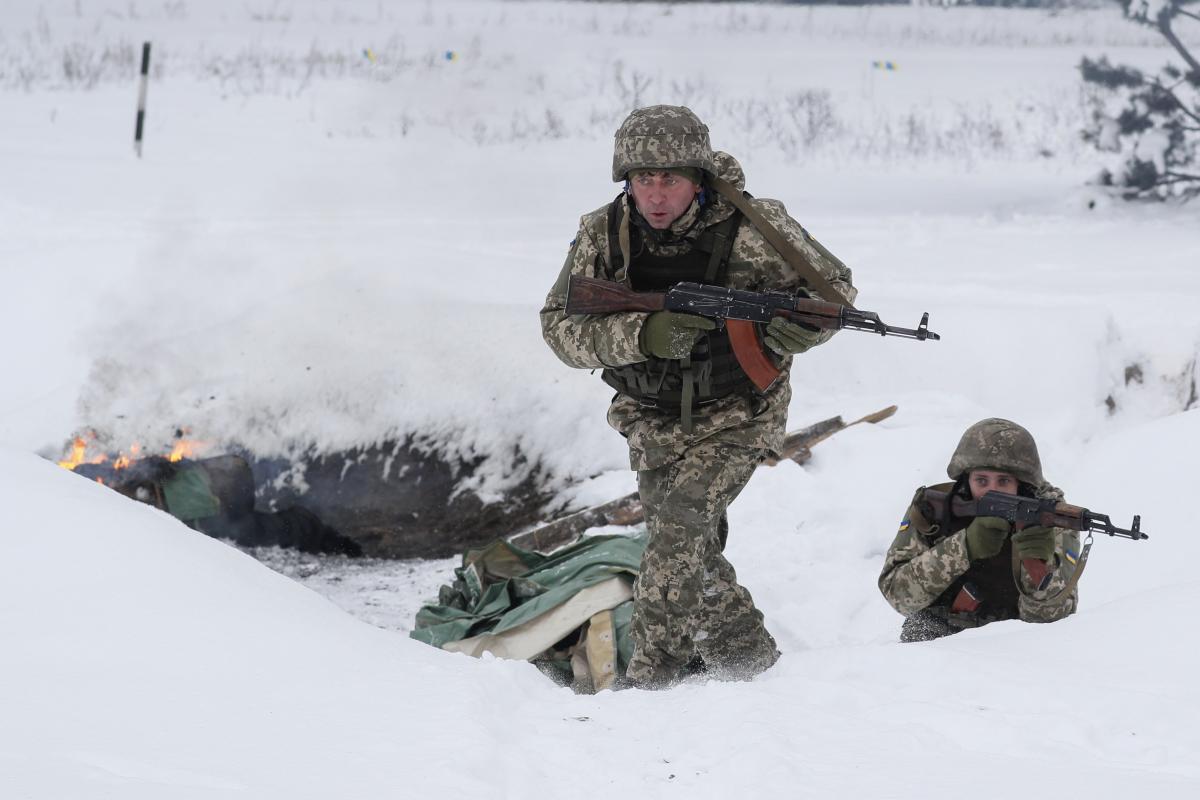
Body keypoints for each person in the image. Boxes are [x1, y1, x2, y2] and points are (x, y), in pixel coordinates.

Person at [539, 105, 856, 688]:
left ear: (699, 179)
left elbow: (834, 296)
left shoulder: (757, 227)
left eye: (672, 180)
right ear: (626, 181)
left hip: (738, 411)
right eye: (643, 181)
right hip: (651, 416)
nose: (656, 196)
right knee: (688, 550)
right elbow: (560, 330)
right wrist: (641, 334)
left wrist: (801, 330)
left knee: (679, 530)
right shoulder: (602, 235)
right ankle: (750, 661)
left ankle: (649, 680)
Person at [878, 418, 1082, 642]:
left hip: (1015, 639)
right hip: (938, 637)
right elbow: (897, 596)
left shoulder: (1051, 520)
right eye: (982, 481)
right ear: (967, 480)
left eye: (1003, 481)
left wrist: (1036, 561)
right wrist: (964, 548)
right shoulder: (934, 509)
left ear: (1022, 484)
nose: (992, 492)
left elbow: (1052, 623)